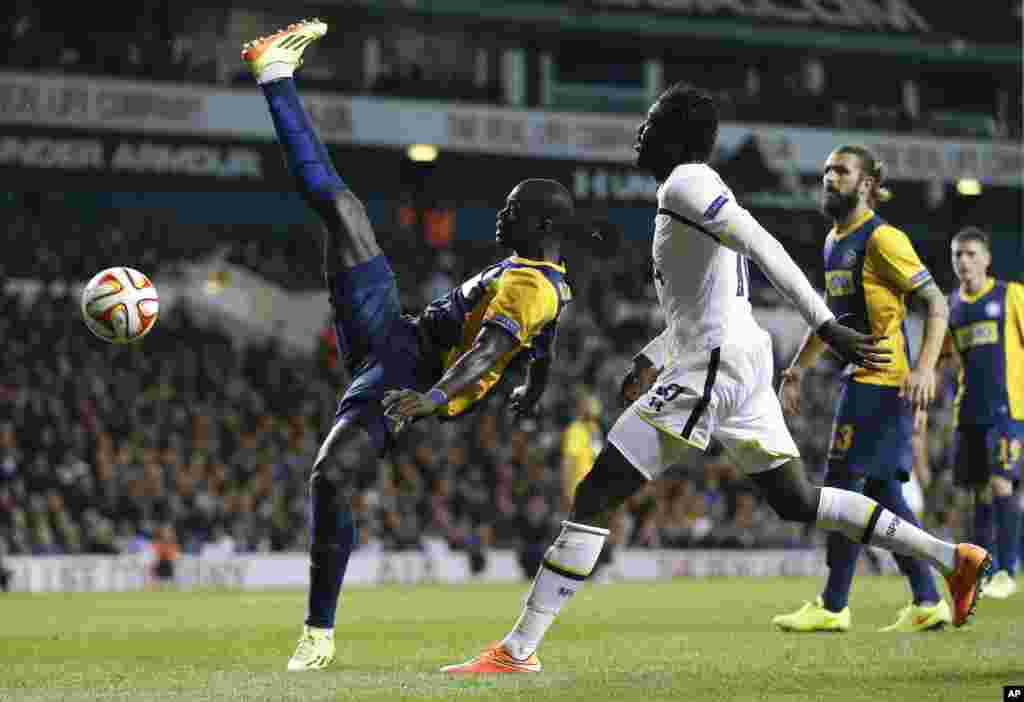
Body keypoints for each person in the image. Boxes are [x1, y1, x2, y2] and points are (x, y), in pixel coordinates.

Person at [435, 82, 990, 675]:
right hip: (733, 356)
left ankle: (518, 650)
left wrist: (823, 323)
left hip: (717, 361)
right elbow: (706, 298)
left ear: (674, 137)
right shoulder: (684, 195)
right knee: (797, 499)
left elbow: (761, 244)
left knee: (598, 491)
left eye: (648, 123)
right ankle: (947, 556)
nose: (639, 133)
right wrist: (654, 352)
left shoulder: (687, 181)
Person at [240, 19, 614, 672]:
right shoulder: (548, 283)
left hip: (416, 374)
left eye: (515, 210)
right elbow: (542, 344)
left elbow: (485, 356)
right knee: (344, 209)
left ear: (544, 226)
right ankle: (275, 74)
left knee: (331, 477)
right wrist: (536, 384)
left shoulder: (530, 286)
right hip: (399, 333)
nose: (502, 217)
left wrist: (430, 399)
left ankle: (318, 633)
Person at [772, 145, 953, 633]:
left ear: (867, 184)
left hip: (883, 382)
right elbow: (830, 320)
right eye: (827, 169)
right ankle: (928, 598)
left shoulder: (882, 238)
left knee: (841, 489)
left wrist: (926, 368)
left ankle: (833, 605)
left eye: (842, 171)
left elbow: (936, 303)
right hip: (863, 380)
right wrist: (796, 370)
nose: (830, 178)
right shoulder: (835, 240)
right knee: (880, 493)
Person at [939, 227, 1024, 599]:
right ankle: (983, 571)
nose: (964, 261)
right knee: (977, 494)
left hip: (1008, 410)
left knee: (1001, 484)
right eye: (958, 255)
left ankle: (1007, 569)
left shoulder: (1011, 296)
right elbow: (943, 358)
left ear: (987, 259)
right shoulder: (949, 307)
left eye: (971, 254)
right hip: (968, 413)